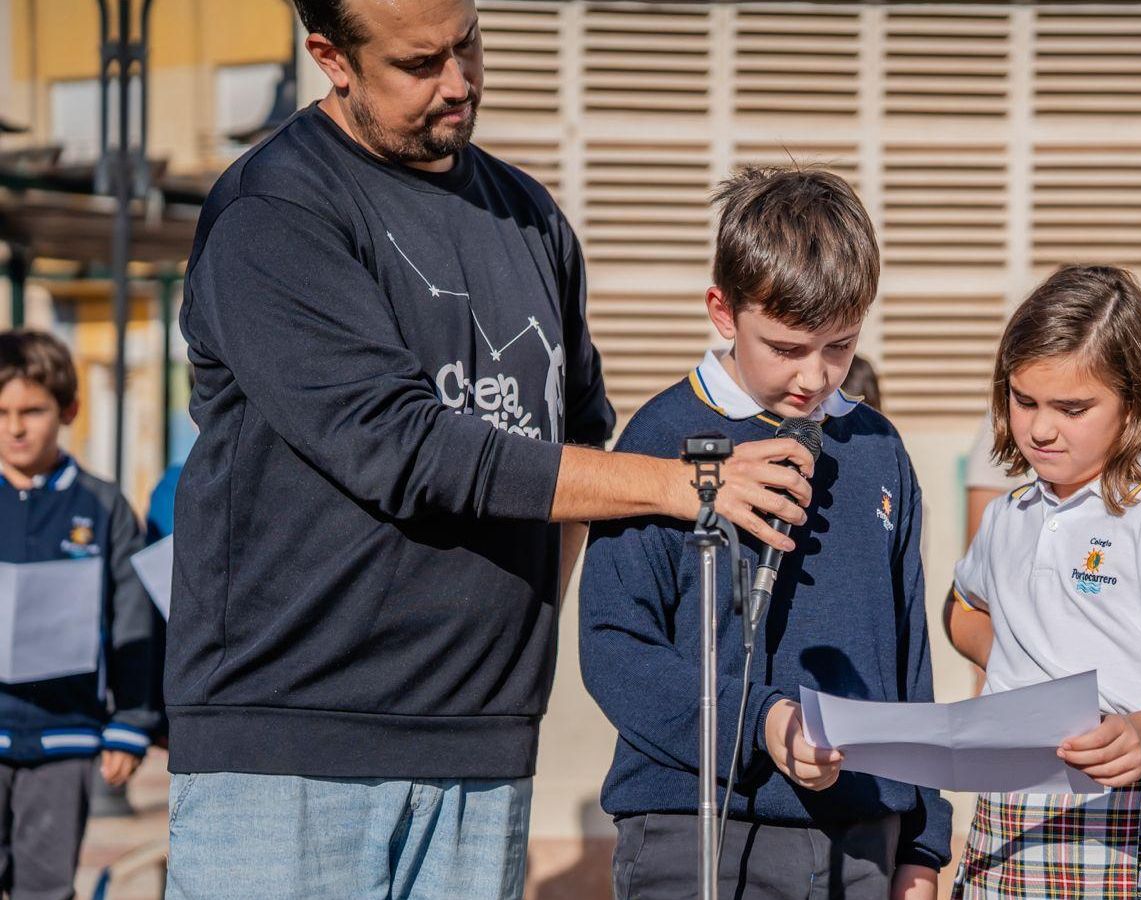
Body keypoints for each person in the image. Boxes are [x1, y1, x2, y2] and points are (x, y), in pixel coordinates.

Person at [164, 2, 814, 897]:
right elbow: (404, 446)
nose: (460, 81)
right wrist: (685, 484)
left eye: (468, 42)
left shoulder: (529, 218)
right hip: (292, 747)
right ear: (331, 58)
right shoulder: (275, 212)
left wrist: (513, 659)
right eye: (420, 62)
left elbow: (577, 428)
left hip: (484, 743)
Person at [579, 166, 951, 900]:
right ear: (723, 310)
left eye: (840, 345)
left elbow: (909, 653)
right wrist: (764, 724)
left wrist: (924, 842)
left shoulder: (878, 447)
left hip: (866, 838)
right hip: (698, 829)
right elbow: (614, 650)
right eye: (786, 347)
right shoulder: (660, 439)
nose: (815, 376)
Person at [944, 265, 1141, 897]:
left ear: (1136, 402)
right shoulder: (1011, 514)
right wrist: (1030, 679)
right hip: (1012, 817)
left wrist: (1140, 735)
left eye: (1073, 408)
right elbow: (961, 610)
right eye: (1023, 400)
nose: (1040, 428)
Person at [0, 330, 159, 900]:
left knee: (45, 890)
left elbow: (133, 616)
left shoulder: (103, 504)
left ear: (67, 409)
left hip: (64, 741)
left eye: (32, 411)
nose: (16, 427)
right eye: (2, 412)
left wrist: (131, 724)